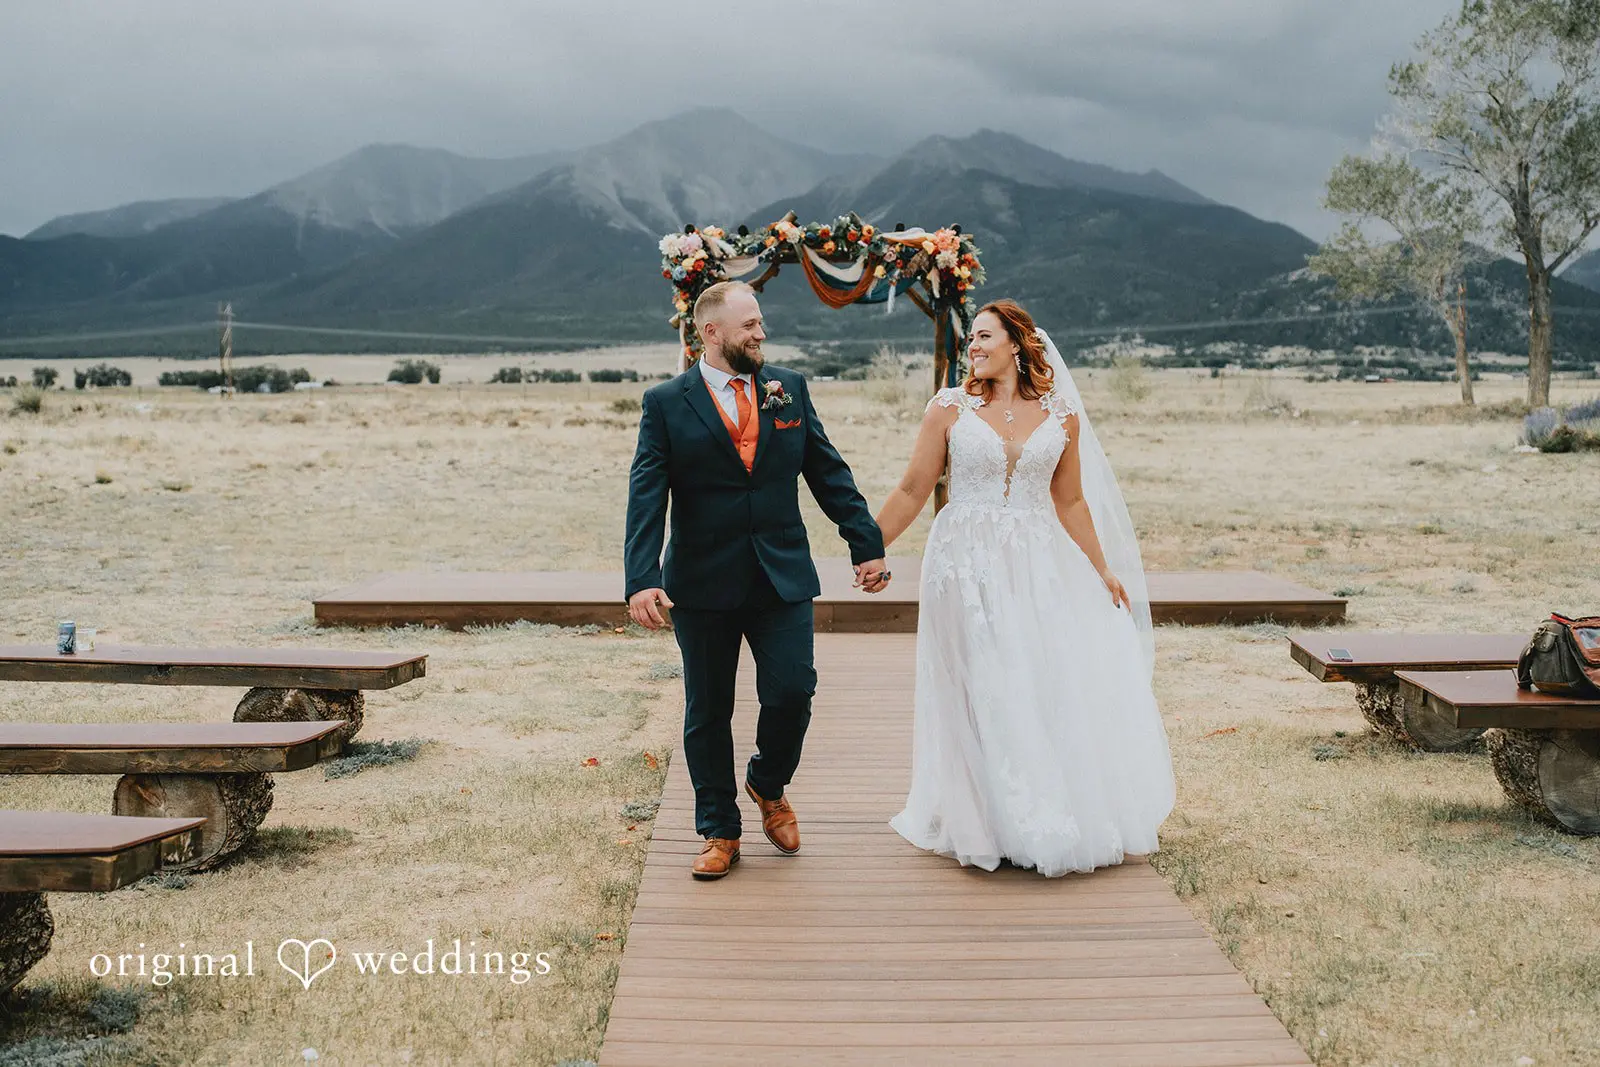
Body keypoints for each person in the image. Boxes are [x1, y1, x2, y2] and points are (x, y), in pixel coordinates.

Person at [874, 298, 1175, 876]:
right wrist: (871, 546)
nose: (975, 347)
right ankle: (978, 817)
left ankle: (1030, 811)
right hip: (960, 562)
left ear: (1017, 342)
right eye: (971, 340)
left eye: (986, 336)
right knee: (972, 681)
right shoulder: (948, 408)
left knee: (1030, 676)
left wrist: (1102, 568)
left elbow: (1070, 499)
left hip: (1036, 563)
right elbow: (913, 489)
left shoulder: (1062, 415)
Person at [624, 280, 891, 880]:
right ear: (710, 332)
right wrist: (641, 577)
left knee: (794, 691)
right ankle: (719, 829)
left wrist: (864, 544)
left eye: (761, 322)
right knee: (708, 709)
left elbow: (827, 470)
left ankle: (768, 783)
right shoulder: (666, 402)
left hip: (781, 576)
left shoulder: (787, 388)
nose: (761, 333)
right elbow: (647, 495)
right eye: (749, 325)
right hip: (701, 582)